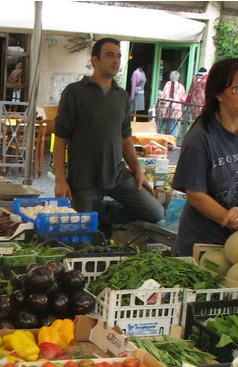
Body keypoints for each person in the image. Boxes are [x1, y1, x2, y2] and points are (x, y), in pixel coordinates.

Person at [53, 37, 163, 232]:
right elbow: (60, 139)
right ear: (95, 60)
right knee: (84, 237)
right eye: (109, 55)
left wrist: (137, 169)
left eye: (119, 56)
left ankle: (103, 212)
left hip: (117, 174)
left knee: (155, 212)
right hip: (84, 178)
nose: (116, 61)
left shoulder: (121, 96)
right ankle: (92, 214)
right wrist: (60, 179)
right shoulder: (75, 92)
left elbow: (125, 138)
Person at [173, 58, 238, 258]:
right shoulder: (200, 137)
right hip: (202, 239)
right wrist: (236, 220)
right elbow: (196, 195)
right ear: (219, 94)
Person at [158, 70, 187, 138]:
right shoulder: (181, 86)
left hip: (166, 108)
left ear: (170, 77)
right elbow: (183, 99)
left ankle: (160, 137)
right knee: (173, 125)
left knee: (161, 123)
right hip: (176, 109)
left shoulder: (167, 84)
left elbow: (163, 96)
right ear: (178, 77)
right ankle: (171, 142)